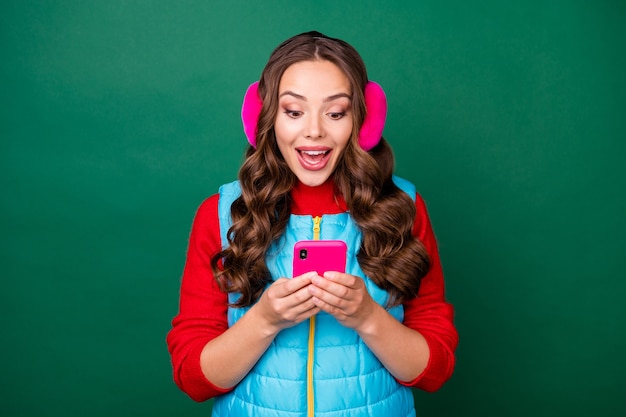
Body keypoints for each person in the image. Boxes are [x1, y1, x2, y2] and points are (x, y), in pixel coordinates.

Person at [167, 31, 458, 417]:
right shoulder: (221, 215)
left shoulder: (403, 207)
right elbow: (193, 378)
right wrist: (265, 320)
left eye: (336, 113)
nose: (315, 131)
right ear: (264, 117)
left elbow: (434, 371)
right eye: (293, 111)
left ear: (364, 120)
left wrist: (368, 317)